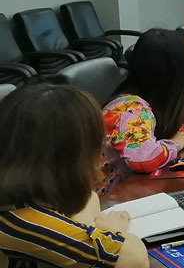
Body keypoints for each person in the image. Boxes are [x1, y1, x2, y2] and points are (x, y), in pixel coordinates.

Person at [0, 84, 148, 267]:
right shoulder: (19, 219)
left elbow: (90, 198)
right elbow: (134, 259)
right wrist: (110, 230)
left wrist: (87, 226)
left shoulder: (19, 194)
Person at [103, 29, 184, 174]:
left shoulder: (155, 99)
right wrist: (175, 143)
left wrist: (182, 132)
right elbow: (143, 159)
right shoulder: (131, 109)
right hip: (112, 186)